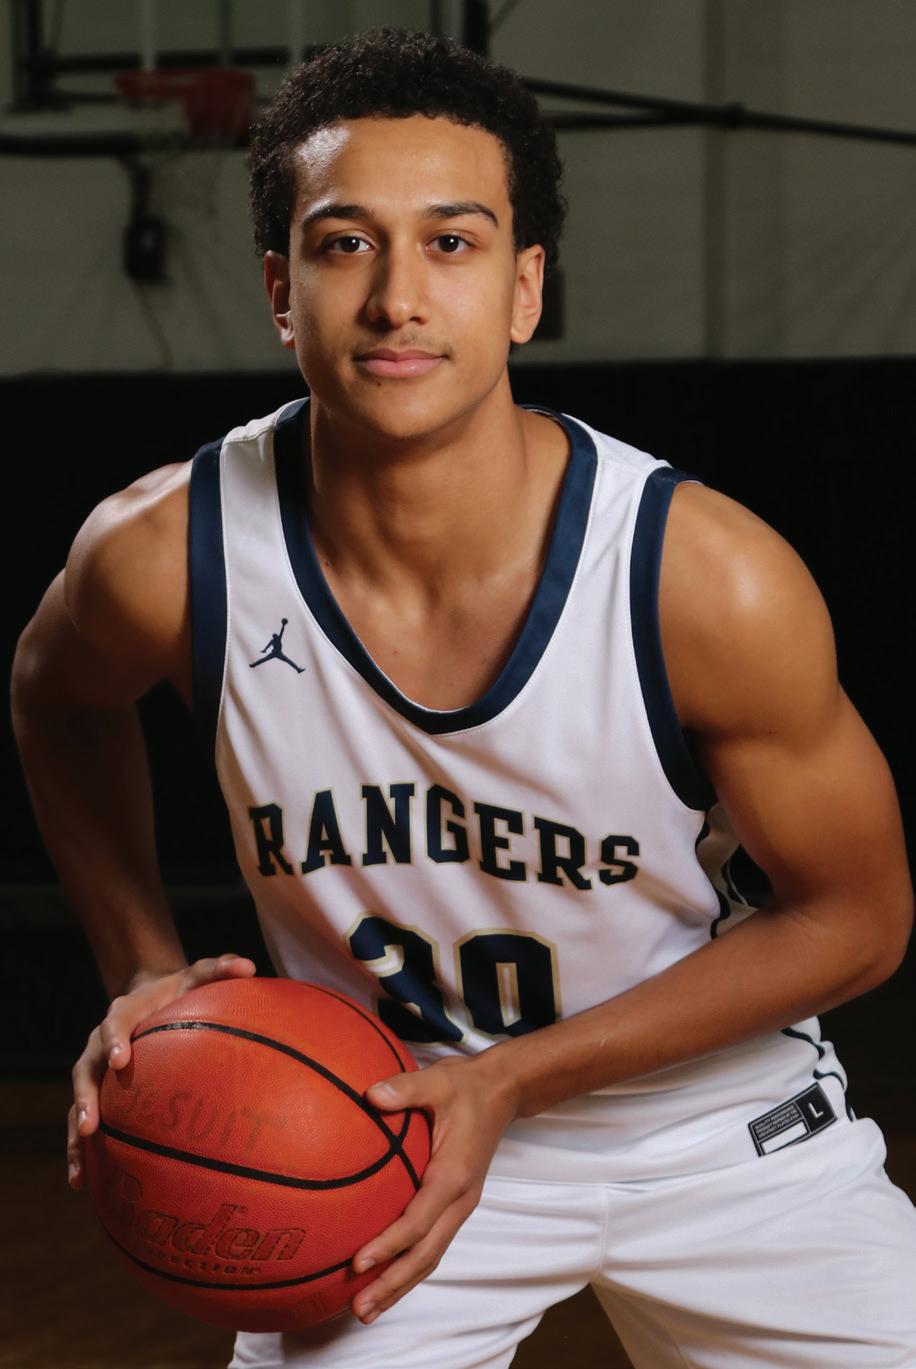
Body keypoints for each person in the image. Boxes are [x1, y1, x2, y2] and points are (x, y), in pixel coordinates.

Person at [11, 26, 916, 1369]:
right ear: (281, 290)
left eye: (451, 242)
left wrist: (513, 1079)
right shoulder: (169, 555)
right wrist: (140, 963)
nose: (398, 299)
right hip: (378, 1140)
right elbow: (53, 693)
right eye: (346, 244)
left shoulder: (698, 578)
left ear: (523, 288)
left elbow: (859, 918)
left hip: (716, 1135)